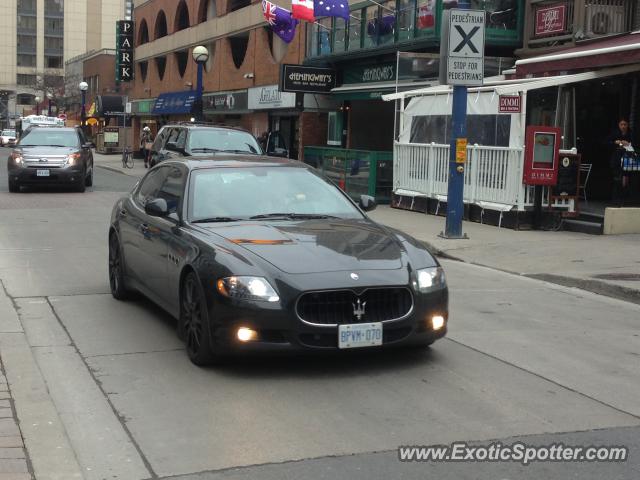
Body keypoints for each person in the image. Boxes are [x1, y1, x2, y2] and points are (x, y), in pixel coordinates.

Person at [607, 118, 634, 205]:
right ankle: (615, 199)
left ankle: (626, 199)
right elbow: (606, 142)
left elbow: (636, 145)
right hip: (617, 160)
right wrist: (615, 142)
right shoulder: (615, 134)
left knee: (626, 179)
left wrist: (629, 144)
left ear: (627, 125)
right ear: (619, 125)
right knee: (617, 179)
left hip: (628, 160)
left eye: (625, 124)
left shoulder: (631, 134)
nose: (623, 126)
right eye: (621, 124)